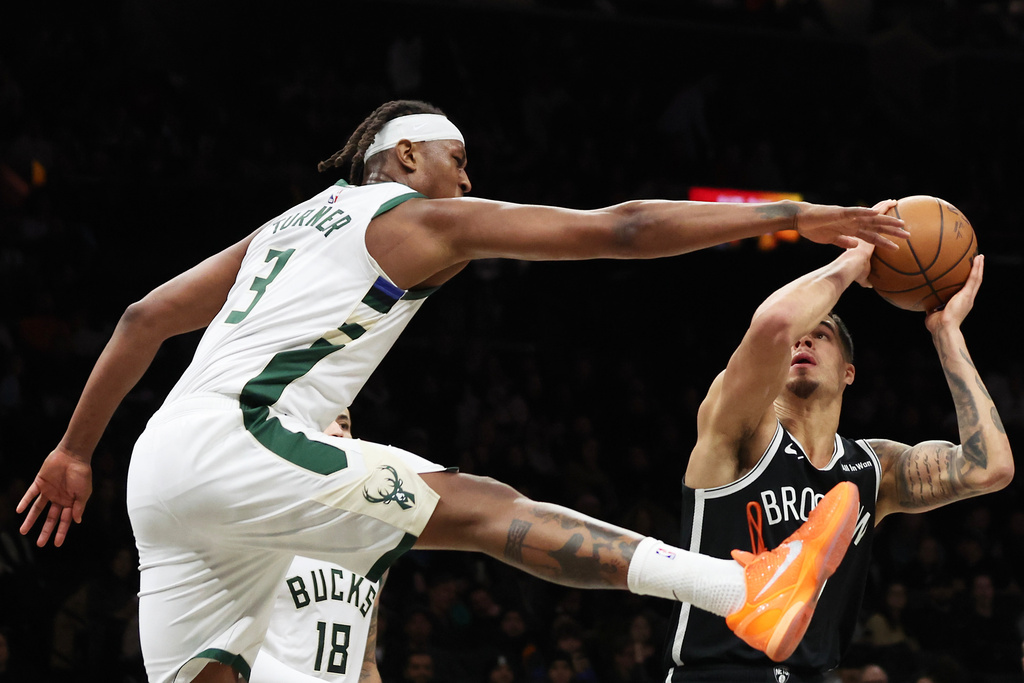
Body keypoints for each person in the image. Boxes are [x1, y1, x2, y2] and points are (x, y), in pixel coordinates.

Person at [16, 99, 907, 683]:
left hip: (159, 474)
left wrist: (72, 451)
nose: (470, 180)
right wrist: (794, 214)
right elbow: (622, 230)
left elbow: (140, 318)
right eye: (460, 159)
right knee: (482, 507)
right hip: (243, 441)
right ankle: (733, 586)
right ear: (407, 154)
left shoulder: (281, 228)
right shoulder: (416, 217)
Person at [662, 239, 1013, 681]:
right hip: (720, 671)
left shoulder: (873, 468)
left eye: (822, 333)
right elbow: (773, 325)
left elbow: (990, 468)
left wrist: (947, 334)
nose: (804, 337)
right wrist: (851, 262)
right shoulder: (740, 429)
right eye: (799, 333)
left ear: (849, 371)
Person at [250, 408, 400, 683]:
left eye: (344, 423)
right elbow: (226, 655)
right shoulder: (258, 531)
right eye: (321, 421)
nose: (336, 430)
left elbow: (365, 665)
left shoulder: (375, 545)